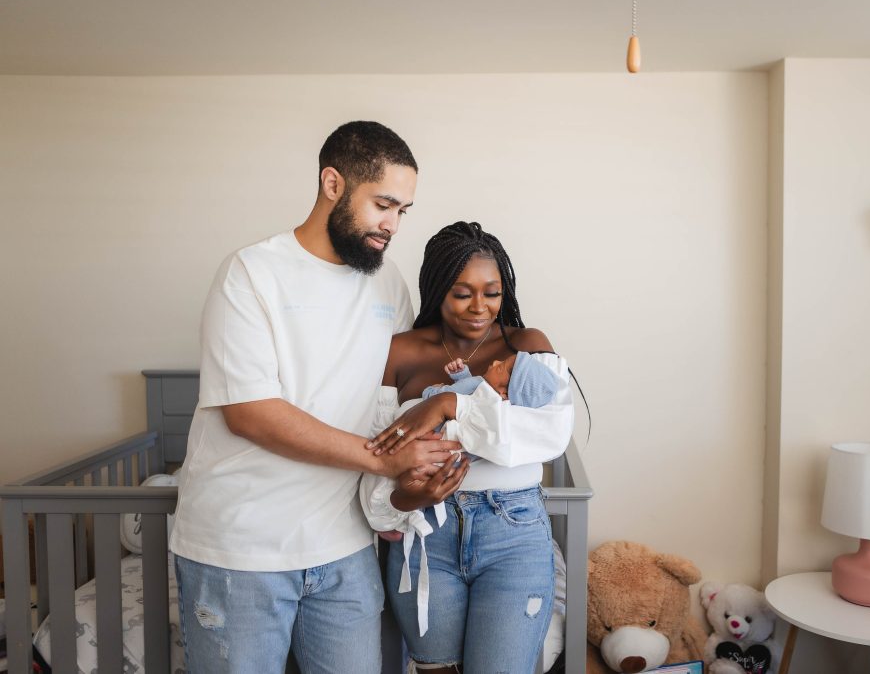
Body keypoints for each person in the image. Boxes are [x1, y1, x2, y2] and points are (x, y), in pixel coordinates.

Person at [168, 121, 462, 674]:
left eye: (403, 211)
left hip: (343, 548)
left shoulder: (388, 283)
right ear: (333, 184)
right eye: (383, 204)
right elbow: (251, 414)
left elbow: (400, 393)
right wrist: (382, 457)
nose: (392, 225)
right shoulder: (252, 273)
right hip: (242, 547)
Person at [360, 221, 574, 674]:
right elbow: (377, 456)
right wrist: (406, 498)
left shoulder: (526, 349)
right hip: (425, 537)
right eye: (462, 293)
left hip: (512, 533)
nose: (481, 307)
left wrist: (447, 403)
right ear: (437, 290)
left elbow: (548, 438)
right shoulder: (399, 352)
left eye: (492, 292)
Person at [423, 352, 559, 407]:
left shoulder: (477, 383)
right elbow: (469, 396)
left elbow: (436, 399)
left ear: (504, 393)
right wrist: (462, 376)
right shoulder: (495, 406)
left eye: (500, 367)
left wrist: (432, 389)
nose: (495, 362)